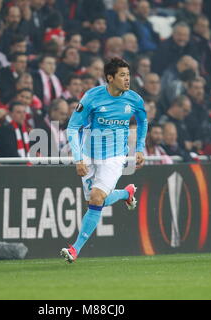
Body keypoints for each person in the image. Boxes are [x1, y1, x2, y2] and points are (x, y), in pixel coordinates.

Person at [61, 57, 147, 263]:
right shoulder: (92, 97)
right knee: (94, 200)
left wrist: (140, 148)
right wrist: (78, 159)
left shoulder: (134, 99)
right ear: (110, 78)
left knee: (97, 198)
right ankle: (126, 193)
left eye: (128, 75)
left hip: (115, 157)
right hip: (89, 155)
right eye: (122, 76)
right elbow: (73, 127)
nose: (127, 80)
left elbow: (143, 122)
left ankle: (75, 249)